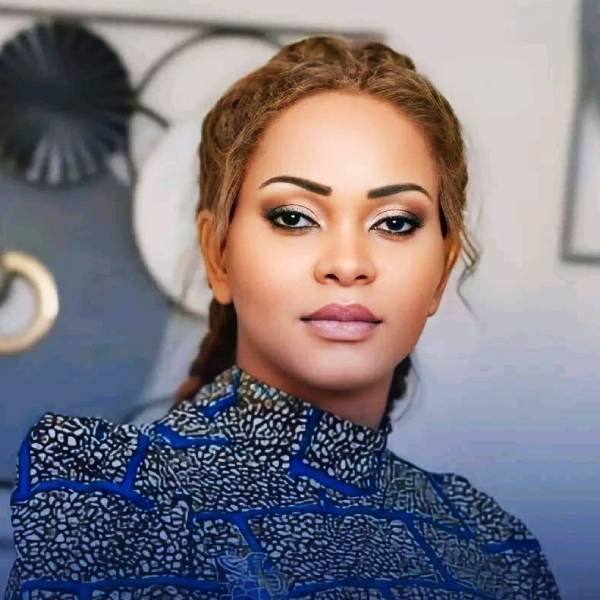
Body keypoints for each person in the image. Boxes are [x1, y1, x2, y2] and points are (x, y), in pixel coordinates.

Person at [5, 35, 561, 599]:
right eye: (294, 217)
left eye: (395, 222)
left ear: (442, 269)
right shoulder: (117, 499)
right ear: (218, 254)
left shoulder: (494, 546)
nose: (348, 264)